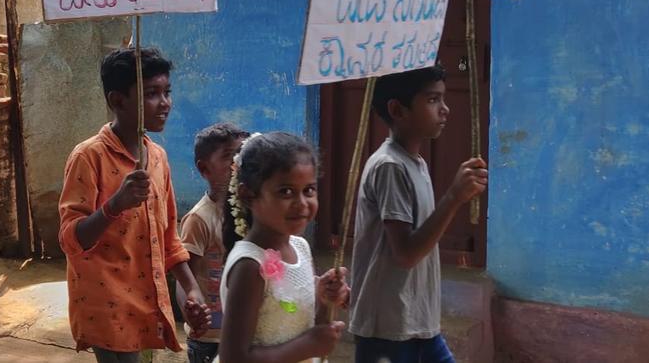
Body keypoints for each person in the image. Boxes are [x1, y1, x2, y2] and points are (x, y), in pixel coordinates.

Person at [58, 48, 212, 362]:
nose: (165, 102)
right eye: (152, 94)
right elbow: (71, 238)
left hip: (149, 302)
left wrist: (191, 289)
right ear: (117, 100)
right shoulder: (88, 157)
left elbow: (168, 237)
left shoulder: (157, 158)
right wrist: (115, 205)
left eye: (167, 92)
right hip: (108, 303)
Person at [348, 65, 488, 363]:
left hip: (418, 323)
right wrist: (453, 198)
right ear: (398, 110)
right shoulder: (390, 166)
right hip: (387, 328)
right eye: (432, 100)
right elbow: (406, 253)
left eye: (443, 99)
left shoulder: (415, 163)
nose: (445, 109)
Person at [217, 132, 350, 363]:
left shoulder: (300, 247)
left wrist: (325, 301)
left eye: (309, 190)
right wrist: (309, 346)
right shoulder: (249, 265)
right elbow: (234, 357)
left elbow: (301, 322)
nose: (301, 203)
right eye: (286, 191)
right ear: (248, 195)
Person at [178, 122, 249, 363]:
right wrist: (192, 313)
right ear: (204, 168)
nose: (236, 163)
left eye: (241, 154)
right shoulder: (199, 219)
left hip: (244, 334)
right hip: (209, 339)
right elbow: (183, 274)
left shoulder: (251, 212)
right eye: (228, 156)